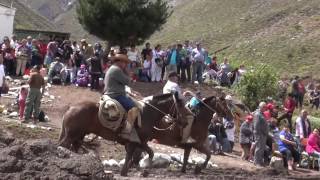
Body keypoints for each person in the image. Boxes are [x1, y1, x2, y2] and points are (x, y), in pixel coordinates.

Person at [103, 53, 140, 135]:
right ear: (119, 62)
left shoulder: (112, 68)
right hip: (115, 95)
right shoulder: (116, 70)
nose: (126, 65)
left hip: (112, 93)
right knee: (133, 108)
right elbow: (127, 82)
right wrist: (129, 74)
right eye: (125, 63)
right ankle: (127, 130)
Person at [163, 71, 195, 144]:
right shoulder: (174, 85)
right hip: (176, 107)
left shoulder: (166, 86)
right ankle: (185, 139)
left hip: (167, 106)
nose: (177, 79)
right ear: (173, 77)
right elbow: (180, 97)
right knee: (191, 116)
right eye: (177, 77)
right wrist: (186, 97)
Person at [253, 102, 268, 167]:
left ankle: (260, 161)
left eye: (265, 107)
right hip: (259, 134)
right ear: (260, 107)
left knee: (262, 148)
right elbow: (256, 125)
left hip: (263, 134)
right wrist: (259, 133)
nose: (265, 108)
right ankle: (256, 162)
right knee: (259, 148)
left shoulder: (262, 114)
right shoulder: (257, 114)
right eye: (264, 107)